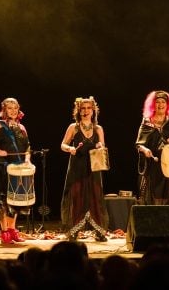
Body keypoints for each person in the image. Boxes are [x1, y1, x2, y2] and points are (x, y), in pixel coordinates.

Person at [0, 97, 33, 244]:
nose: (13, 111)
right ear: (4, 110)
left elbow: (27, 147)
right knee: (4, 201)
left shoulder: (21, 128)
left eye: (15, 108)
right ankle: (4, 231)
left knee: (15, 201)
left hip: (18, 168)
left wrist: (27, 158)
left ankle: (12, 230)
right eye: (9, 108)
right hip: (3, 167)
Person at [60, 96, 110, 242]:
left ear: (93, 111)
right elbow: (63, 145)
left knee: (95, 197)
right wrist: (70, 149)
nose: (86, 111)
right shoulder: (73, 127)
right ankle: (74, 230)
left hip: (93, 167)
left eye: (89, 108)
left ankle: (99, 231)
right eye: (83, 108)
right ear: (79, 110)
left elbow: (102, 145)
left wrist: (100, 146)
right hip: (77, 167)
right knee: (76, 196)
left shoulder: (98, 128)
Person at [135, 90, 169, 205]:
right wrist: (145, 150)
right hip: (153, 165)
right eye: (157, 102)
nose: (160, 105)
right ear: (153, 105)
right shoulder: (146, 122)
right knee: (152, 196)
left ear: (168, 105)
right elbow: (139, 144)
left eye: (163, 102)